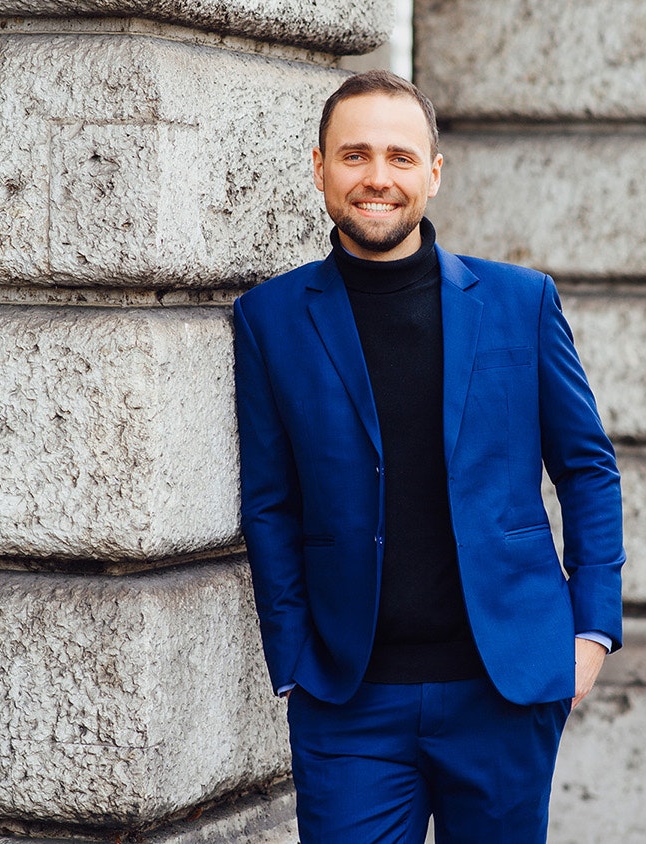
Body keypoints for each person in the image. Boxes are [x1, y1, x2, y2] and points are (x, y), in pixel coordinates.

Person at [232, 69, 625, 843]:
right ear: (320, 170)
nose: (377, 178)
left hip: (504, 690)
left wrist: (592, 630)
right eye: (355, 156)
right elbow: (270, 501)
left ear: (433, 174)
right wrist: (293, 655)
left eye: (400, 158)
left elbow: (587, 467)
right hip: (349, 701)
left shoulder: (522, 301)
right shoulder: (270, 318)